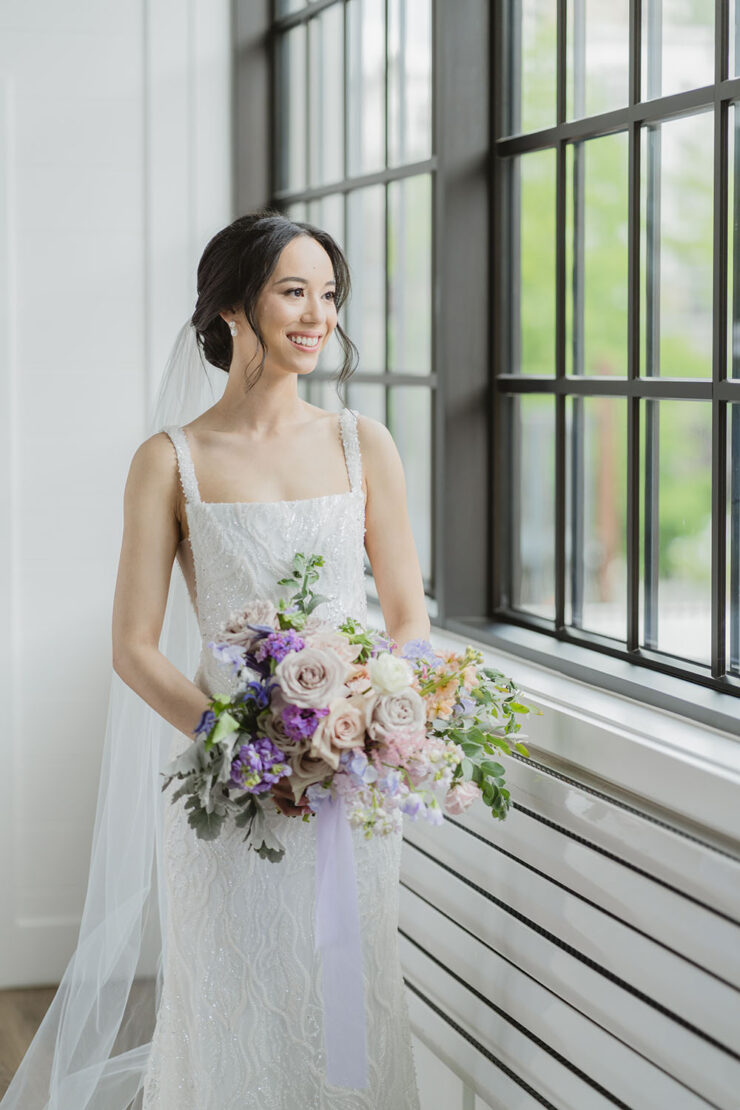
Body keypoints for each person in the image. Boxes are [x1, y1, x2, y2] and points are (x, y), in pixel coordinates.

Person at [2, 209, 429, 1108]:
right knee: (235, 1008)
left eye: (329, 295)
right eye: (293, 292)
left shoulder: (364, 444)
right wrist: (248, 741)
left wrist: (370, 713)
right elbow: (133, 647)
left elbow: (405, 615)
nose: (318, 315)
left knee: (346, 1000)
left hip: (349, 786)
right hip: (227, 788)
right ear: (235, 307)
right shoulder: (171, 461)